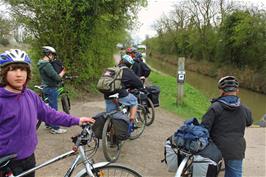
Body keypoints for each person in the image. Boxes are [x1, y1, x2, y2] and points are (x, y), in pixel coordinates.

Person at [0, 49, 95, 177]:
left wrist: (76, 120)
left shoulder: (31, 96)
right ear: (4, 73)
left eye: (22, 70)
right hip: (6, 163)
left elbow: (50, 114)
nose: (18, 74)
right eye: (13, 69)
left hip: (28, 158)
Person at [201, 76, 253, 177]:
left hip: (214, 149)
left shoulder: (215, 107)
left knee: (209, 173)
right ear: (237, 90)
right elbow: (249, 122)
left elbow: (204, 127)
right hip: (236, 149)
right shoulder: (245, 109)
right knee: (235, 174)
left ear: (221, 90)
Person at [104, 54, 143, 122]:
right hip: (120, 94)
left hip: (107, 94)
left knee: (110, 115)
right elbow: (139, 84)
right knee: (134, 101)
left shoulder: (112, 69)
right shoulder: (128, 71)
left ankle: (108, 130)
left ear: (121, 61)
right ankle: (131, 120)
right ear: (130, 65)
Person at [37, 46, 66, 134]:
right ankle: (55, 128)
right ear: (49, 54)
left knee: (48, 107)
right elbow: (57, 78)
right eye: (53, 55)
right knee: (53, 109)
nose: (53, 57)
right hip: (51, 88)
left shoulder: (40, 63)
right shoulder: (46, 65)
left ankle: (48, 124)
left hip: (45, 87)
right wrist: (63, 72)